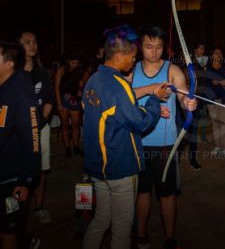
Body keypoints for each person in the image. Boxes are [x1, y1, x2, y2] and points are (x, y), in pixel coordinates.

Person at [81, 25, 164, 249]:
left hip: (98, 167)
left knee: (100, 220)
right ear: (119, 55)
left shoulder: (93, 80)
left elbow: (115, 112)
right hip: (119, 168)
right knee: (121, 229)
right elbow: (141, 122)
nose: (133, 62)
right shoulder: (118, 86)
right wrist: (155, 99)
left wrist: (145, 94)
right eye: (132, 57)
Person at [131, 26, 197, 249]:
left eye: (159, 47)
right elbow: (121, 98)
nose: (154, 52)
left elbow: (183, 96)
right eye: (149, 47)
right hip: (136, 143)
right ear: (141, 46)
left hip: (165, 145)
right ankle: (141, 235)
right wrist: (149, 90)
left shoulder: (173, 70)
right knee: (141, 192)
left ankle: (169, 238)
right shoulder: (131, 71)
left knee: (167, 194)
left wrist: (187, 103)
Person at [0, 42, 41, 249]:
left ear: (8, 63)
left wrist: (26, 179)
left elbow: (32, 137)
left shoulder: (21, 92)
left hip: (12, 177)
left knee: (8, 231)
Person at [19, 31, 55, 223]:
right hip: (17, 130)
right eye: (27, 42)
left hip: (40, 127)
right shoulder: (13, 72)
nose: (32, 45)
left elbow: (49, 99)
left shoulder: (42, 73)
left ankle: (39, 207)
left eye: (34, 41)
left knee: (40, 168)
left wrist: (40, 122)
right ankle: (17, 208)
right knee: (18, 168)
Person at [54, 51, 88, 157]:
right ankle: (67, 148)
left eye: (76, 63)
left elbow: (84, 86)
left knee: (76, 125)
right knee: (65, 125)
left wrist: (81, 89)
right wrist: (59, 103)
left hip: (75, 100)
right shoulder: (61, 70)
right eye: (73, 63)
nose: (74, 65)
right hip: (64, 99)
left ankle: (76, 146)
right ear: (68, 61)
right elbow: (56, 87)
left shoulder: (81, 71)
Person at [205, 47, 225, 158]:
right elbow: (204, 84)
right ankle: (217, 146)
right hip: (211, 101)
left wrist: (224, 83)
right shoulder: (207, 68)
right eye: (215, 53)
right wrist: (212, 83)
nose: (217, 55)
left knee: (223, 124)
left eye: (220, 53)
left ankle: (224, 147)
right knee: (215, 124)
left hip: (224, 100)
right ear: (212, 56)